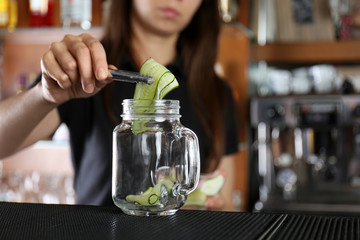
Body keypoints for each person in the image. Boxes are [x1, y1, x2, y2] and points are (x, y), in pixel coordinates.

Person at [0, 0, 238, 208]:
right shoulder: (85, 70)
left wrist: (212, 206)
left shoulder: (217, 92)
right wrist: (43, 95)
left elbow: (224, 195)